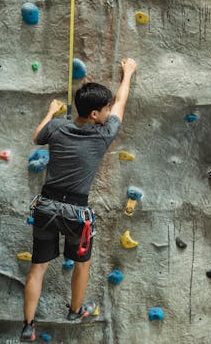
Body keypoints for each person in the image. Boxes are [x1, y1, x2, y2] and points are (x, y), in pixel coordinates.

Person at [20, 58, 137, 341]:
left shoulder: (58, 128)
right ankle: (75, 310)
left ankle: (28, 326)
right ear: (95, 114)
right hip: (76, 212)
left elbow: (37, 137)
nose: (110, 112)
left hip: (46, 206)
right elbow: (121, 103)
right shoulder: (103, 134)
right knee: (82, 264)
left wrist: (50, 112)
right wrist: (128, 75)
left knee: (38, 267)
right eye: (105, 109)